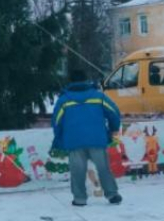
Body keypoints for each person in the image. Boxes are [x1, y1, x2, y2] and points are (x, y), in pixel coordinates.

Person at [52, 69, 123, 207]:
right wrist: (113, 128)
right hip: (97, 138)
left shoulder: (64, 100)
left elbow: (56, 122)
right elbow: (114, 111)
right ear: (86, 80)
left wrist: (59, 138)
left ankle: (79, 199)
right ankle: (112, 195)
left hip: (74, 141)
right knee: (103, 168)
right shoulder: (98, 96)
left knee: (77, 171)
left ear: (70, 81)